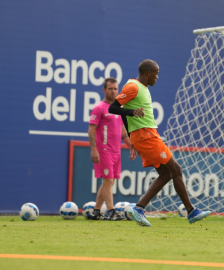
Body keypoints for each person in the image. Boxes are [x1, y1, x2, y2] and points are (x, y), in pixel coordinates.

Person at [108, 59, 210, 227]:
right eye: (156, 74)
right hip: (146, 136)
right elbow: (114, 108)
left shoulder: (142, 88)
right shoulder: (133, 86)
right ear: (148, 73)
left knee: (166, 174)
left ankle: (139, 208)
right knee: (176, 169)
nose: (157, 77)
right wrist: (133, 115)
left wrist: (131, 138)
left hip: (145, 135)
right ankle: (191, 211)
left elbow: (124, 114)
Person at [87, 77, 133, 221]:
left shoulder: (118, 108)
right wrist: (94, 150)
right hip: (103, 151)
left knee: (109, 182)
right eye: (110, 89)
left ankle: (95, 211)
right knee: (108, 182)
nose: (113, 91)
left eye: (115, 89)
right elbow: (91, 130)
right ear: (104, 90)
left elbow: (123, 132)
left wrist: (131, 146)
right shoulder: (99, 108)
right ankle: (112, 212)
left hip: (116, 151)